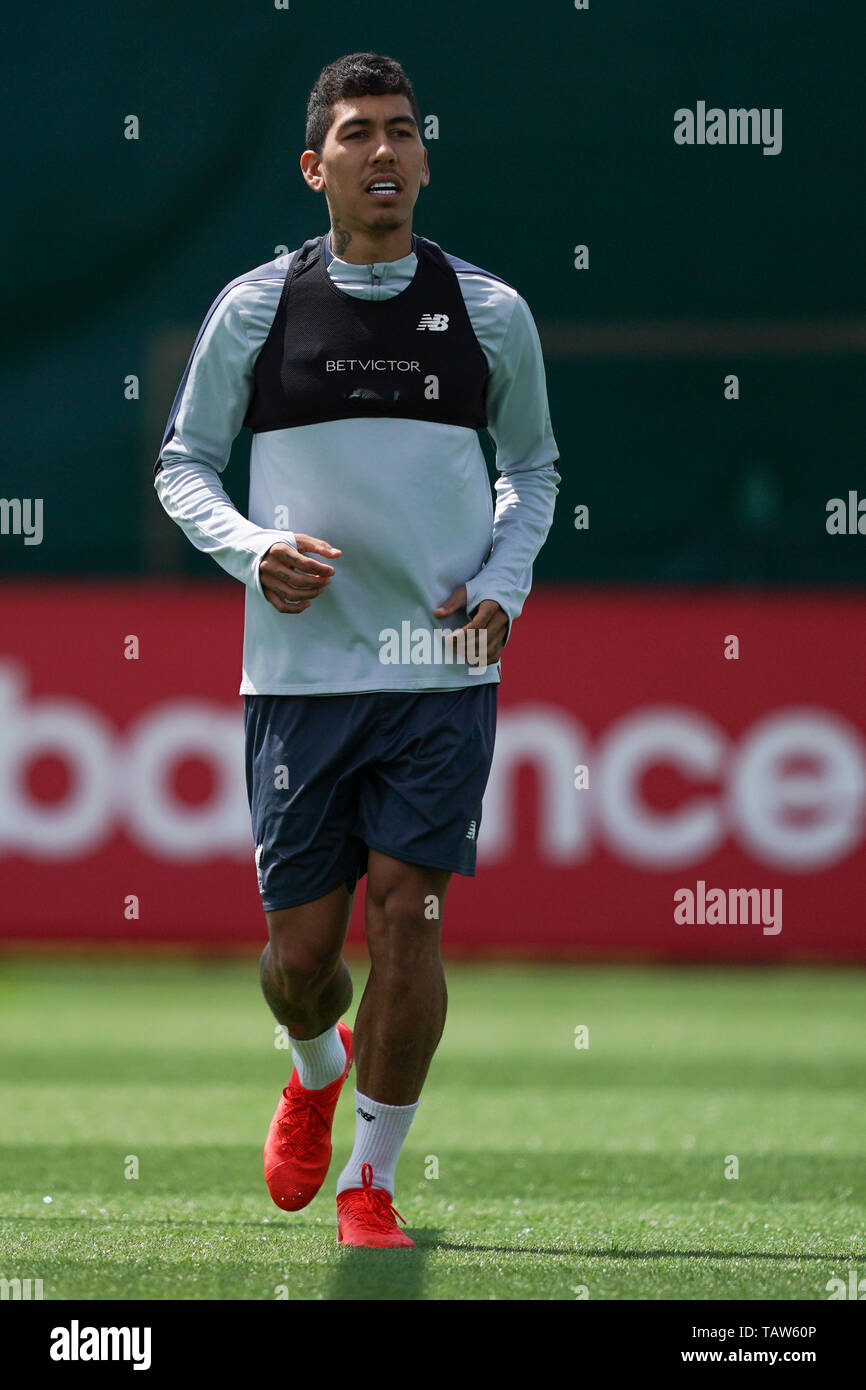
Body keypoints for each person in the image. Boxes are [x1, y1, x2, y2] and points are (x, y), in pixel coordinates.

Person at [154, 51, 560, 1248]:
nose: (382, 152)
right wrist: (248, 548)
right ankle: (312, 1066)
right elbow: (184, 464)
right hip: (300, 676)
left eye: (400, 131)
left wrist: (501, 578)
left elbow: (529, 469)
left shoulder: (490, 311)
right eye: (355, 134)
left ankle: (369, 1182)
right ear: (313, 166)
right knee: (298, 958)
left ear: (424, 158)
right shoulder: (257, 306)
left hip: (438, 667)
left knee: (407, 916)